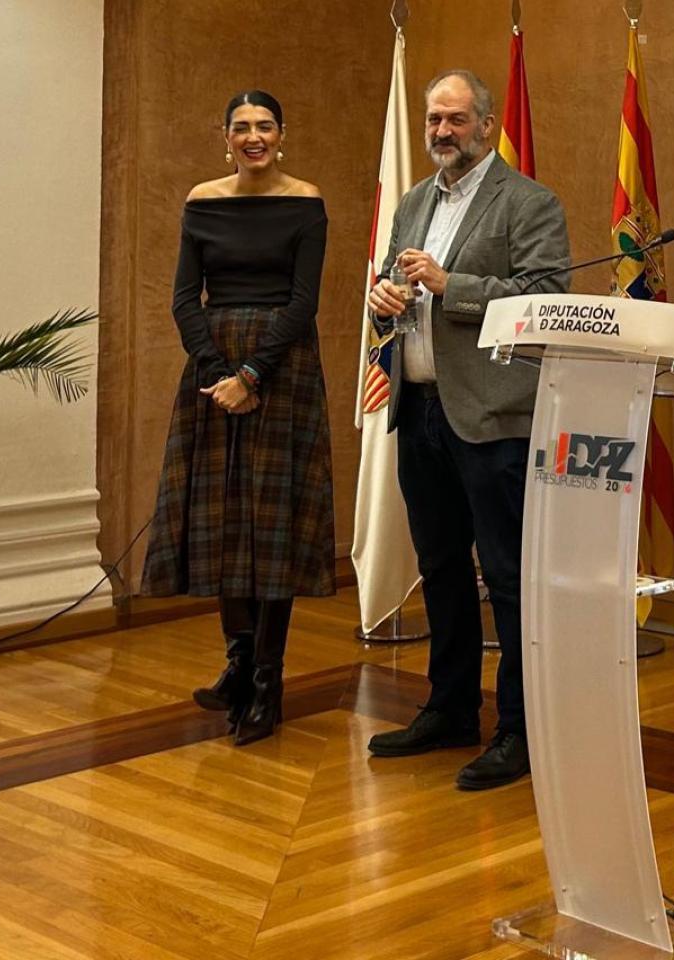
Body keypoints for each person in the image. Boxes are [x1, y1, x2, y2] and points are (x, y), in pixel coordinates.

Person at [362, 69, 571, 791]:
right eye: (433, 120)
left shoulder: (529, 202)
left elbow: (547, 297)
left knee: (508, 577)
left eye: (455, 119)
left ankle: (520, 727)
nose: (442, 131)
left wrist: (453, 285)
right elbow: (390, 285)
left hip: (492, 417)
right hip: (419, 408)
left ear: (487, 124)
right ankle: (450, 708)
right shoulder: (415, 201)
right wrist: (383, 298)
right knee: (442, 567)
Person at [142, 90, 335, 747]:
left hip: (283, 367)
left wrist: (251, 375)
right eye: (242, 127)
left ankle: (266, 684)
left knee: (271, 524)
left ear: (282, 135)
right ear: (224, 136)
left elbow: (303, 304)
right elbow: (183, 298)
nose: (254, 137)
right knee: (223, 517)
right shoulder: (202, 201)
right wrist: (217, 372)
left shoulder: (305, 202)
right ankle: (238, 663)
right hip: (213, 366)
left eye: (265, 126)